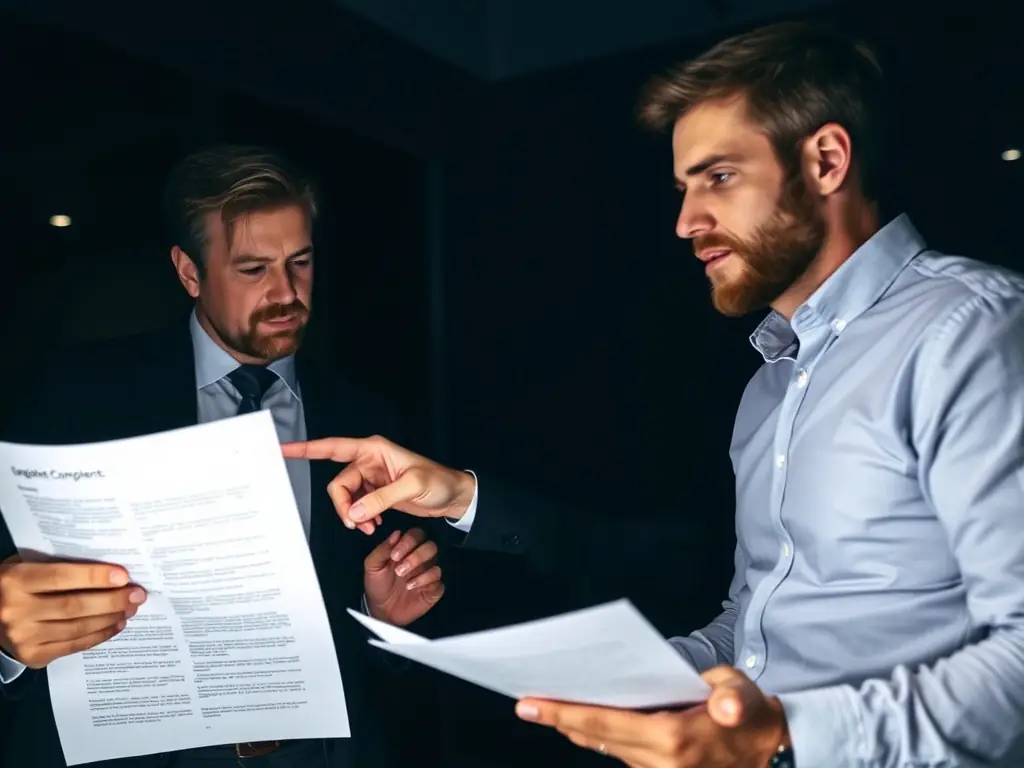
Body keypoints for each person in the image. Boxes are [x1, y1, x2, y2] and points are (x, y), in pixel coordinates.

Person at [281, 21, 1024, 768]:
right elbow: (756, 629)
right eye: (682, 188)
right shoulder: (770, 385)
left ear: (826, 161)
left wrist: (776, 733)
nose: (686, 222)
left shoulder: (971, 330)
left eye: (719, 177)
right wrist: (644, 683)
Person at [0, 145, 447, 768]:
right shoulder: (80, 393)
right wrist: (7, 642)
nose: (286, 291)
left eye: (300, 261)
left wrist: (382, 616)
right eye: (252, 269)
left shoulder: (371, 421)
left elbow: (389, 674)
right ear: (189, 272)